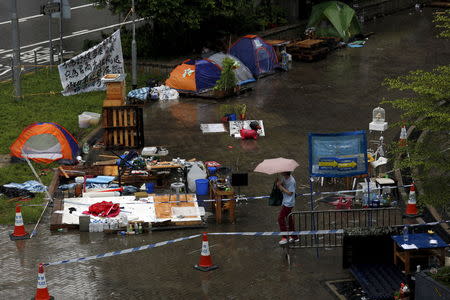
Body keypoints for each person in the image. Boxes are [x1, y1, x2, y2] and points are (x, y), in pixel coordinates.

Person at [276, 172, 299, 245]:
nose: (281, 172)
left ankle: (285, 237)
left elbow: (290, 193)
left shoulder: (292, 181)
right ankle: (294, 237)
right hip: (285, 201)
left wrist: (281, 187)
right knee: (289, 220)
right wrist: (278, 184)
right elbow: (281, 187)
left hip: (289, 203)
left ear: (286, 172)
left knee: (280, 218)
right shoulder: (284, 178)